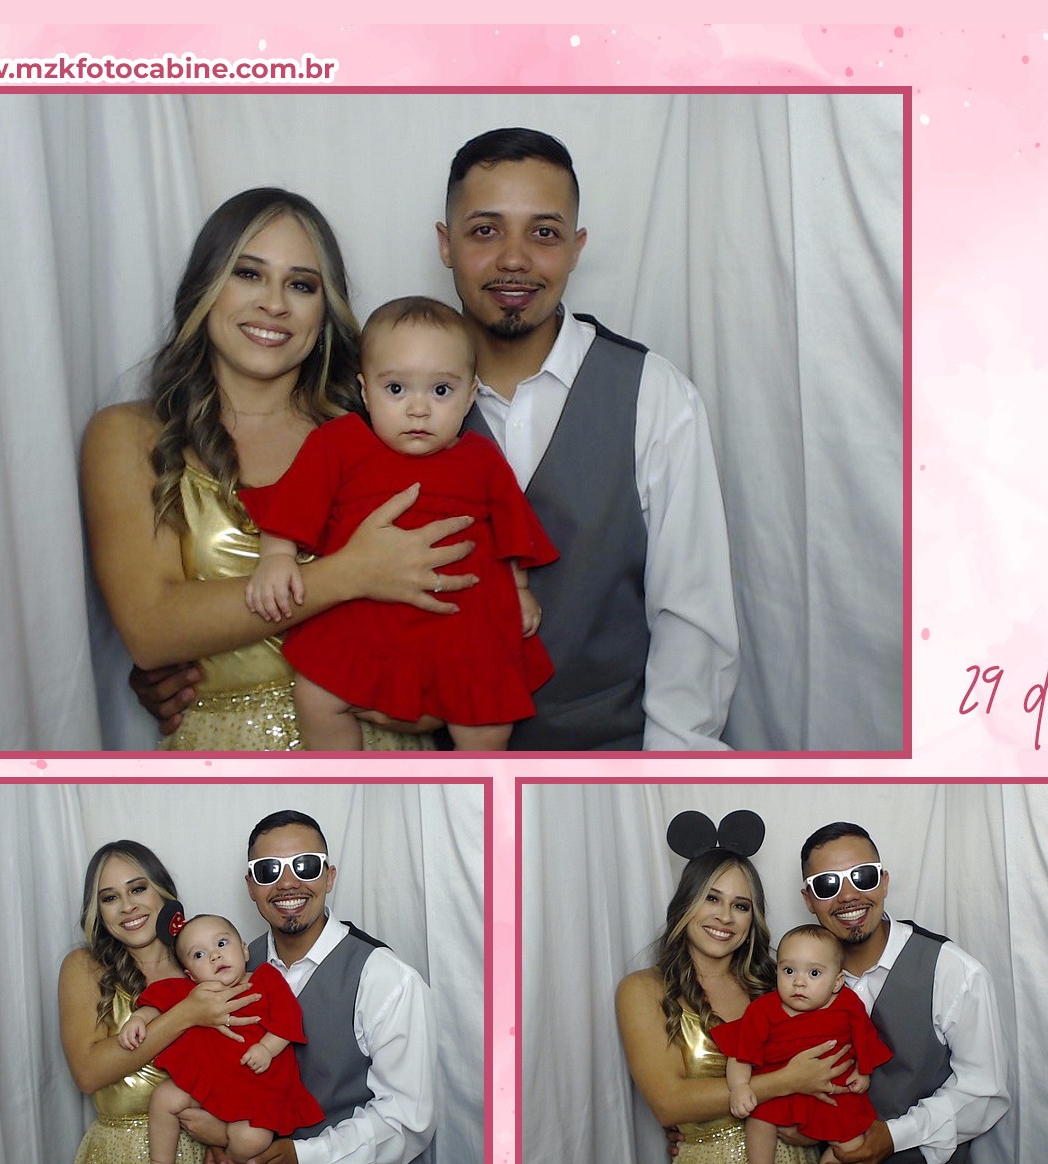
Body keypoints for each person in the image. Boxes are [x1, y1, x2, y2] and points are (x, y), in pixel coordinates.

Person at [85, 186, 478, 750]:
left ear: (325, 309)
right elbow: (151, 629)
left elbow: (460, 575)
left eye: (301, 285)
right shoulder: (130, 434)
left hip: (382, 749)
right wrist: (350, 574)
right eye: (248, 274)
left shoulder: (383, 430)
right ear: (205, 287)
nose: (274, 304)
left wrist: (440, 697)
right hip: (225, 758)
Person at [439, 128, 739, 750]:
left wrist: (661, 781)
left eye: (543, 233)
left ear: (576, 248)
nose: (514, 258)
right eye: (485, 230)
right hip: (437, 770)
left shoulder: (654, 394)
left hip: (609, 762)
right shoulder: (384, 393)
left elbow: (692, 619)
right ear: (446, 244)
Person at [239, 296, 557, 750]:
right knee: (316, 696)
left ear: (471, 395)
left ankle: (478, 791)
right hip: (367, 623)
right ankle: (342, 782)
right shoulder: (338, 443)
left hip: (464, 628)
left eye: (441, 391)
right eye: (396, 389)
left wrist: (519, 589)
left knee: (489, 723)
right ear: (365, 391)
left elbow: (510, 530)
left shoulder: (482, 459)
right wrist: (276, 557)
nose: (418, 409)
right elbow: (294, 504)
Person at [179, 810, 438, 1164]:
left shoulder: (386, 979)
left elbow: (406, 1120)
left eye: (306, 866)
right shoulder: (230, 967)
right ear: (251, 886)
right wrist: (225, 1136)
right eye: (269, 870)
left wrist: (303, 1157)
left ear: (329, 877)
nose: (288, 883)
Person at [615, 814, 842, 1164]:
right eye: (711, 898)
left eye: (740, 905)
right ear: (686, 903)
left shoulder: (781, 985)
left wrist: (815, 1129)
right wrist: (787, 1081)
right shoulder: (644, 989)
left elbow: (832, 1062)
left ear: (753, 918)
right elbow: (669, 1103)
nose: (725, 917)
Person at [796, 823, 1010, 1164]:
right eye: (827, 884)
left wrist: (895, 1136)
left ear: (883, 882)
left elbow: (985, 1091)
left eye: (862, 876)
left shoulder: (953, 972)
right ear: (808, 900)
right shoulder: (795, 977)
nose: (848, 895)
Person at [56, 841, 262, 1164]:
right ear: (98, 911)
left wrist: (223, 1133)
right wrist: (185, 1014)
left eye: (138, 889)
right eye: (110, 898)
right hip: (120, 1152)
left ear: (164, 893)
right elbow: (87, 1073)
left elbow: (239, 1057)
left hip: (201, 1149)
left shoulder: (204, 965)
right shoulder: (84, 966)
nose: (127, 906)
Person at [123, 906, 322, 1164]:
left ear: (244, 950)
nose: (215, 956)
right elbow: (158, 1002)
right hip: (211, 1083)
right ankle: (160, 1163)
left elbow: (289, 1017)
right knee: (164, 1097)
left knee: (253, 1140)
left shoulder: (266, 979)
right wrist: (138, 1019)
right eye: (199, 954)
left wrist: (267, 1048)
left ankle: (230, 1160)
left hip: (258, 1090)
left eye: (222, 943)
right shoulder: (194, 992)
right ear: (191, 975)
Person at [714, 925, 892, 1164]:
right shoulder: (762, 1010)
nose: (799, 982)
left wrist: (863, 1071)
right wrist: (740, 1087)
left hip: (833, 1096)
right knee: (759, 1120)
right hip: (778, 1092)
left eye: (814, 973)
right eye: (789, 971)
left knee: (855, 1149)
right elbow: (741, 1053)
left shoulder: (848, 1004)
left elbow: (864, 1039)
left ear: (837, 982)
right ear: (776, 972)